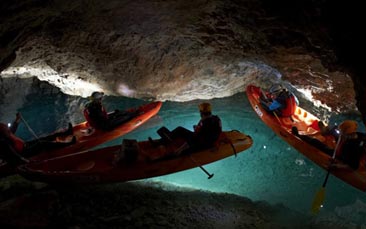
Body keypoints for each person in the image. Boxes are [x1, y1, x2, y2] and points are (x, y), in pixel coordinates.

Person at [0, 113, 75, 166]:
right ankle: (69, 144)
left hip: (25, 145)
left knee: (44, 138)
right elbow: (13, 156)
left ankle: (67, 133)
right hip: (25, 152)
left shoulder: (4, 132)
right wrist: (26, 161)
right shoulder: (3, 143)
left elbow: (11, 131)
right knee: (42, 144)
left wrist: (17, 120)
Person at [151, 102, 222, 153]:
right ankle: (161, 142)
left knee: (182, 151)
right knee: (180, 129)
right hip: (202, 139)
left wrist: (181, 149)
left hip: (203, 144)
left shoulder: (207, 123)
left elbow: (196, 139)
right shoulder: (214, 118)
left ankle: (164, 147)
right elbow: (217, 132)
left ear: (201, 112)